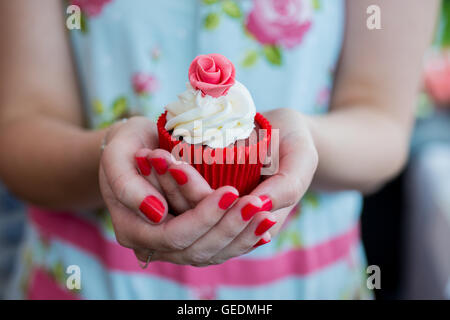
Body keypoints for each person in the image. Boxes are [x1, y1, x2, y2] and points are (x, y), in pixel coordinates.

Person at [0, 0, 439, 299]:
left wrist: (297, 140)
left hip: (301, 280)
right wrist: (107, 156)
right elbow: (21, 129)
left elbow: (381, 123)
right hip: (84, 279)